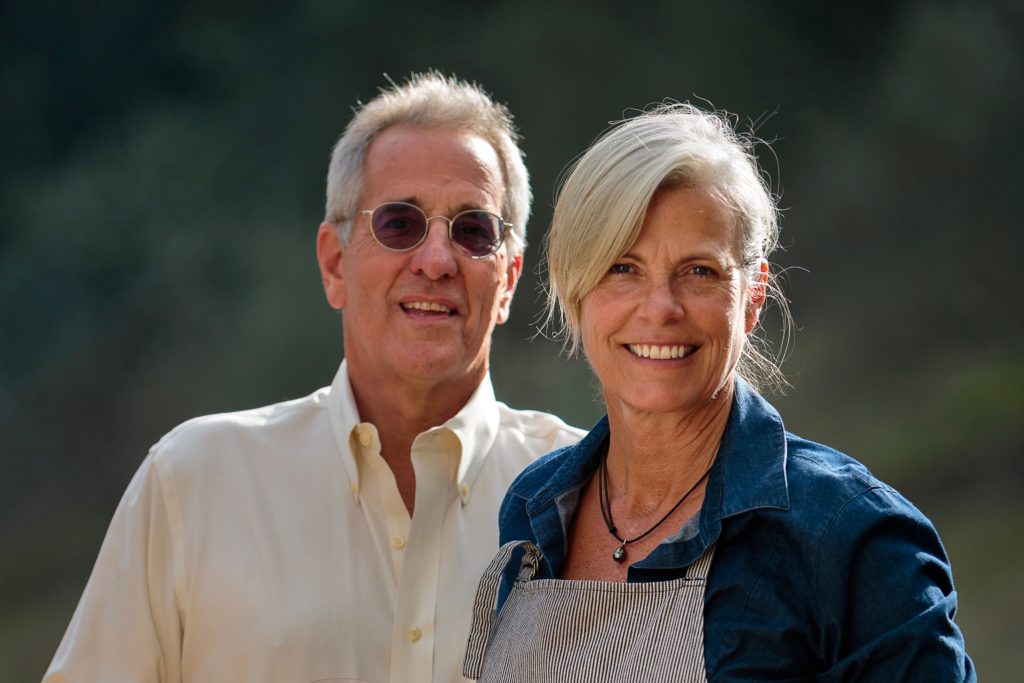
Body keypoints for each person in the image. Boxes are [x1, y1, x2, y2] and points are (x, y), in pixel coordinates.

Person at [44, 72, 584, 683]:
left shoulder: (586, 498)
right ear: (334, 264)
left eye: (472, 231)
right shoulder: (192, 482)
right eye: (400, 224)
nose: (436, 261)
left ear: (509, 278)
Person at [463, 104, 975, 681]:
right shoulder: (535, 507)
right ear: (575, 289)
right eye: (623, 268)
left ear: (753, 295)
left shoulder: (848, 536)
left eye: (700, 271)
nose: (661, 309)